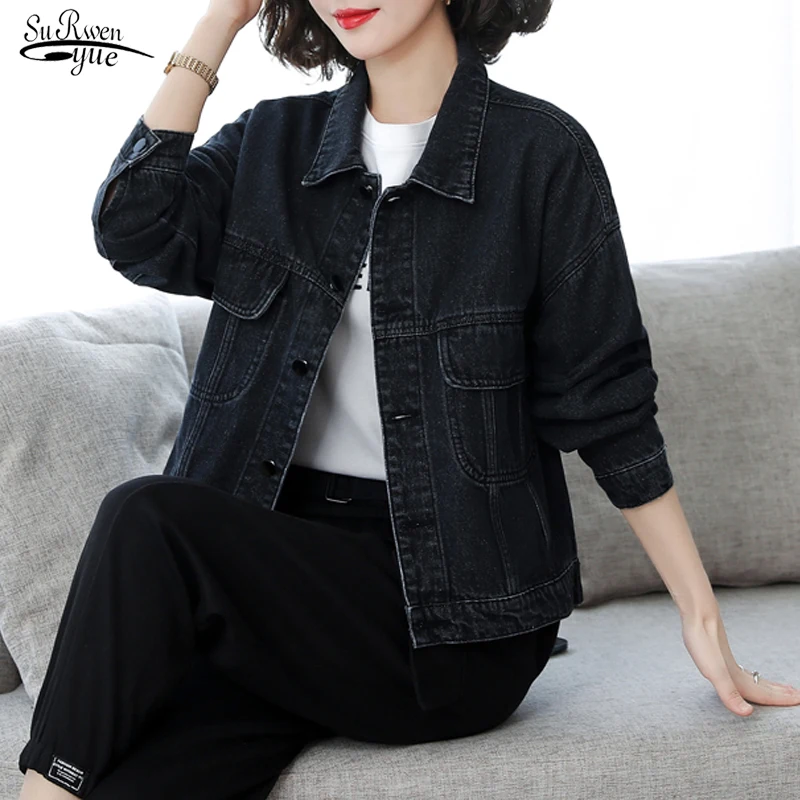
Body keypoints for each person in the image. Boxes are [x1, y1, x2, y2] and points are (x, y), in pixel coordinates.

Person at [19, 0, 800, 798]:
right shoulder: (272, 144)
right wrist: (221, 20)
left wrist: (701, 616)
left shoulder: (540, 156)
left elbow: (607, 404)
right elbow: (136, 228)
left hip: (458, 622)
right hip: (284, 582)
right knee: (133, 777)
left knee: (145, 514)